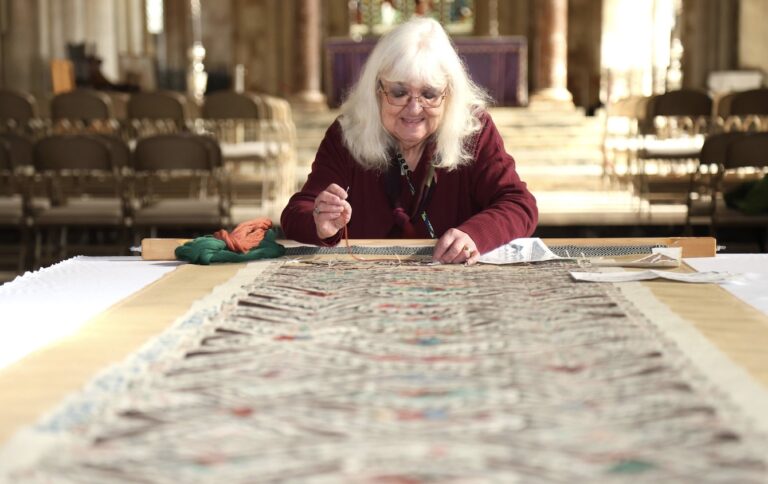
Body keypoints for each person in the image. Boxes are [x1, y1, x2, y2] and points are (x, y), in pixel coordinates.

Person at [281, 17, 537, 264]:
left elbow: (519, 204)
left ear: (449, 94)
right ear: (377, 90)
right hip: (366, 291)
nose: (414, 109)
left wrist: (476, 235)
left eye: (429, 94)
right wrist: (319, 222)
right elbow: (295, 213)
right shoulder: (347, 134)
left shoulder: (473, 131)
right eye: (399, 92)